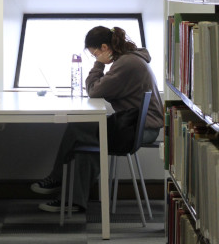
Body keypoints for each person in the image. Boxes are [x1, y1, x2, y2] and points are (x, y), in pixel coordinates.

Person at [31, 25, 163, 213]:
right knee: (86, 143)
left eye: (95, 54)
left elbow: (94, 91)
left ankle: (57, 180)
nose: (95, 58)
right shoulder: (130, 59)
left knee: (78, 130)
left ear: (104, 47)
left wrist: (99, 64)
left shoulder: (126, 63)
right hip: (135, 125)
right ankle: (72, 201)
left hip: (141, 130)